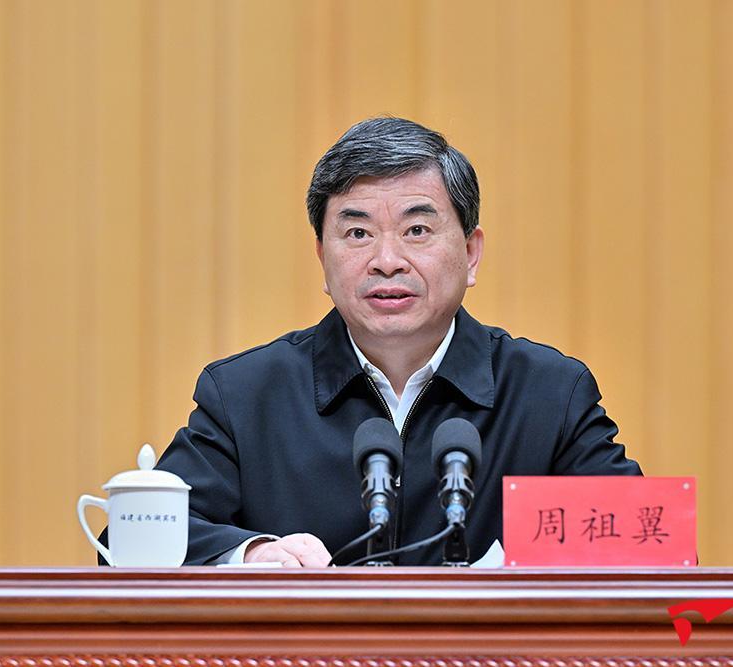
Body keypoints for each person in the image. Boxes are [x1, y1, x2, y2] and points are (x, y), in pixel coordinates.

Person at [110, 117, 641, 568]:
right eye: (358, 233)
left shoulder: (548, 393)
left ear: (471, 254)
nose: (387, 261)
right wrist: (251, 555)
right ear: (323, 257)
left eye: (417, 231)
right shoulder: (247, 396)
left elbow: (642, 546)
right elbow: (126, 542)